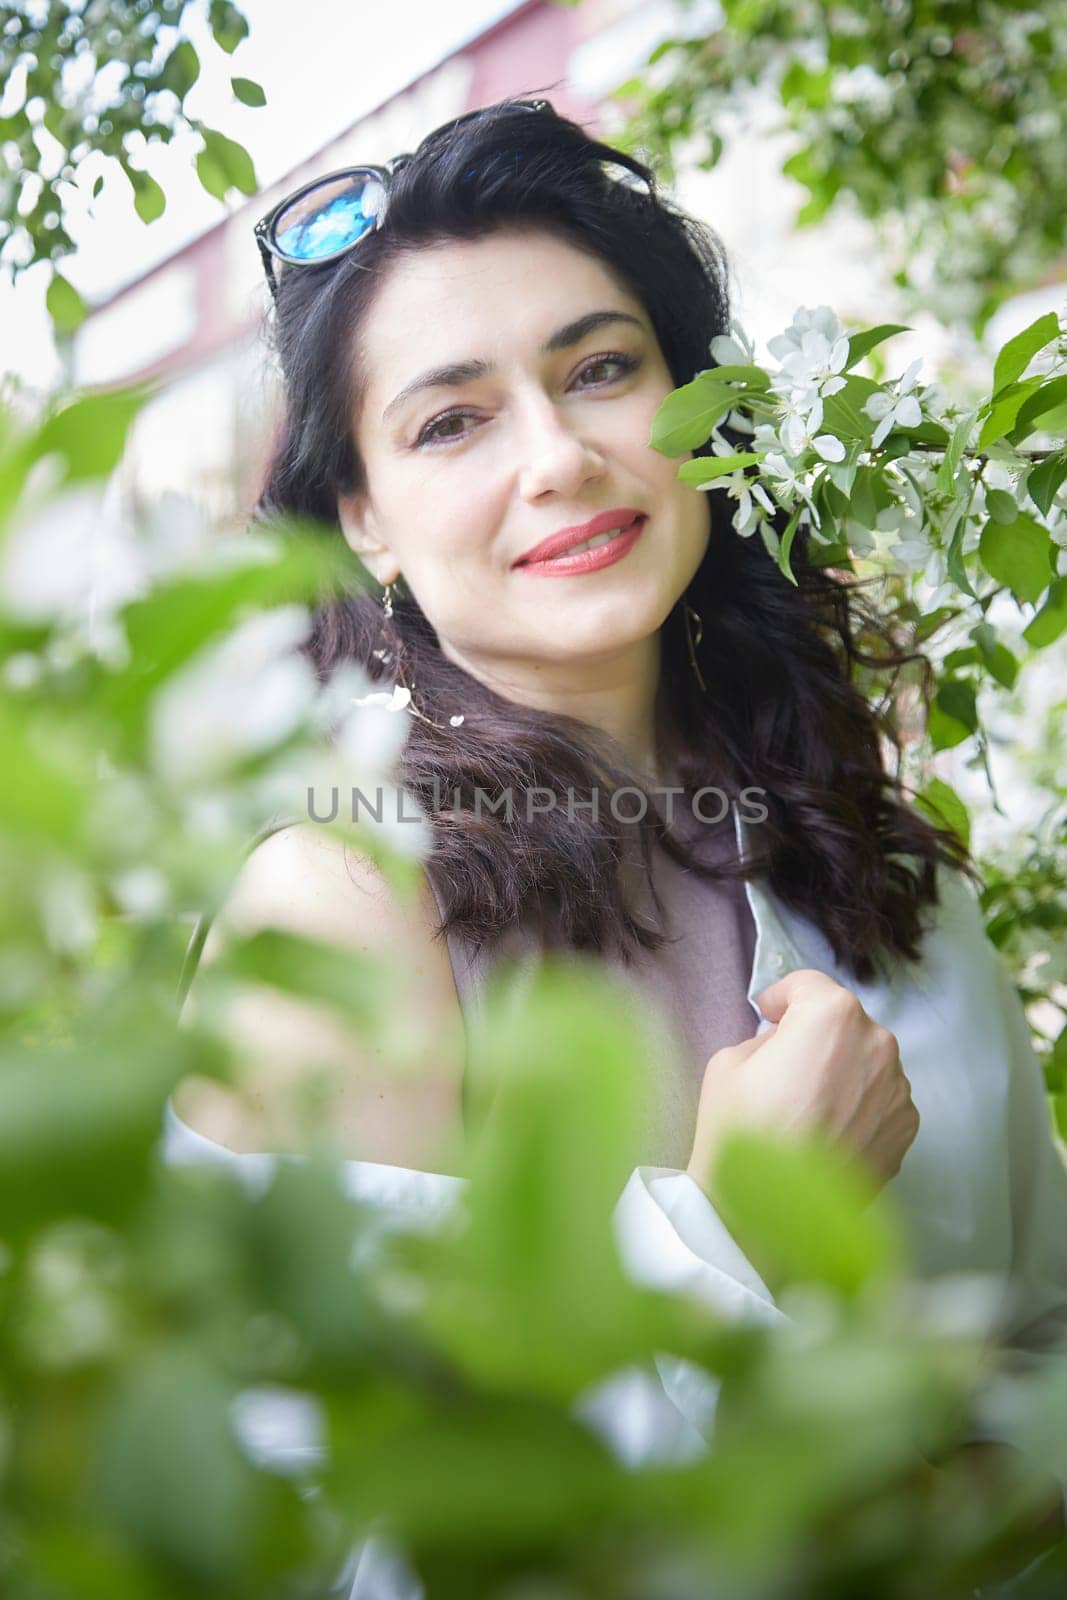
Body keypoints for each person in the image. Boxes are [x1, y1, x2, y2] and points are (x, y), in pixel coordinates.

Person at [165, 96, 1067, 1584]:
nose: (562, 458)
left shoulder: (878, 848)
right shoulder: (338, 912)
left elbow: (1037, 1335)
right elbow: (331, 1552)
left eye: (601, 370)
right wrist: (725, 1243)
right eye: (452, 420)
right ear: (364, 521)